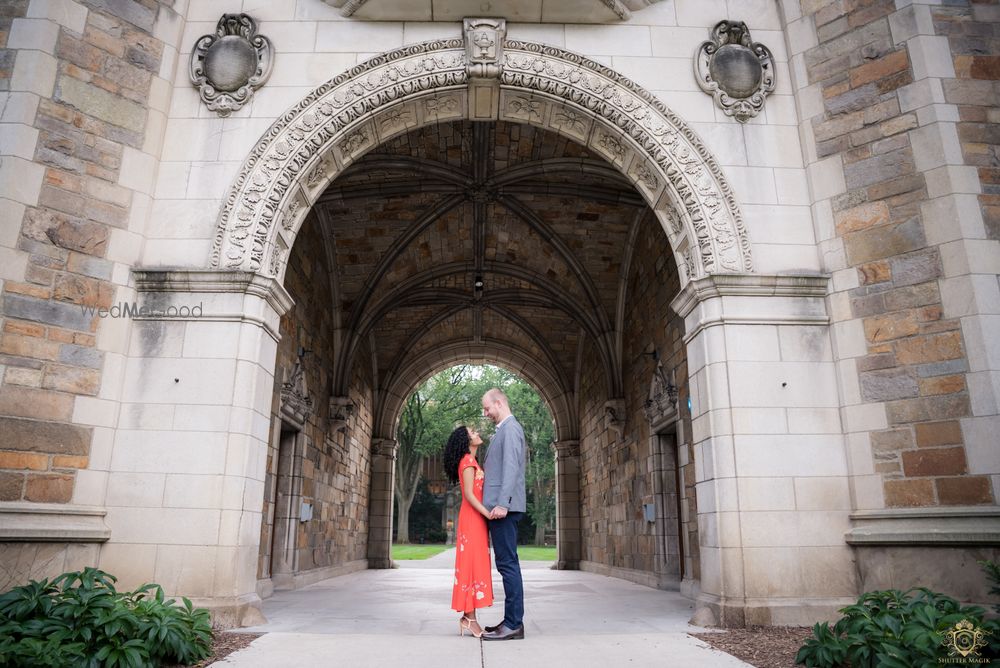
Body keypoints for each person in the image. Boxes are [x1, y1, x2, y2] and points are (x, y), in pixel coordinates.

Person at [480, 388, 527, 641]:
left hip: (503, 510)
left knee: (508, 565)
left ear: (499, 403)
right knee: (506, 564)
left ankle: (514, 625)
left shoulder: (510, 428)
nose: (485, 413)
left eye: (487, 408)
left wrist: (503, 503)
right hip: (501, 509)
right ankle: (510, 621)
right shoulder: (504, 430)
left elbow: (511, 468)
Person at [444, 425, 494, 638]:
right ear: (466, 441)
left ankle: (469, 617)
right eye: (473, 432)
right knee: (470, 566)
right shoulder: (467, 462)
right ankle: (469, 618)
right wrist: (488, 513)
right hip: (472, 518)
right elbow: (469, 496)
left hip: (476, 519)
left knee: (475, 565)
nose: (477, 433)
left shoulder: (472, 461)